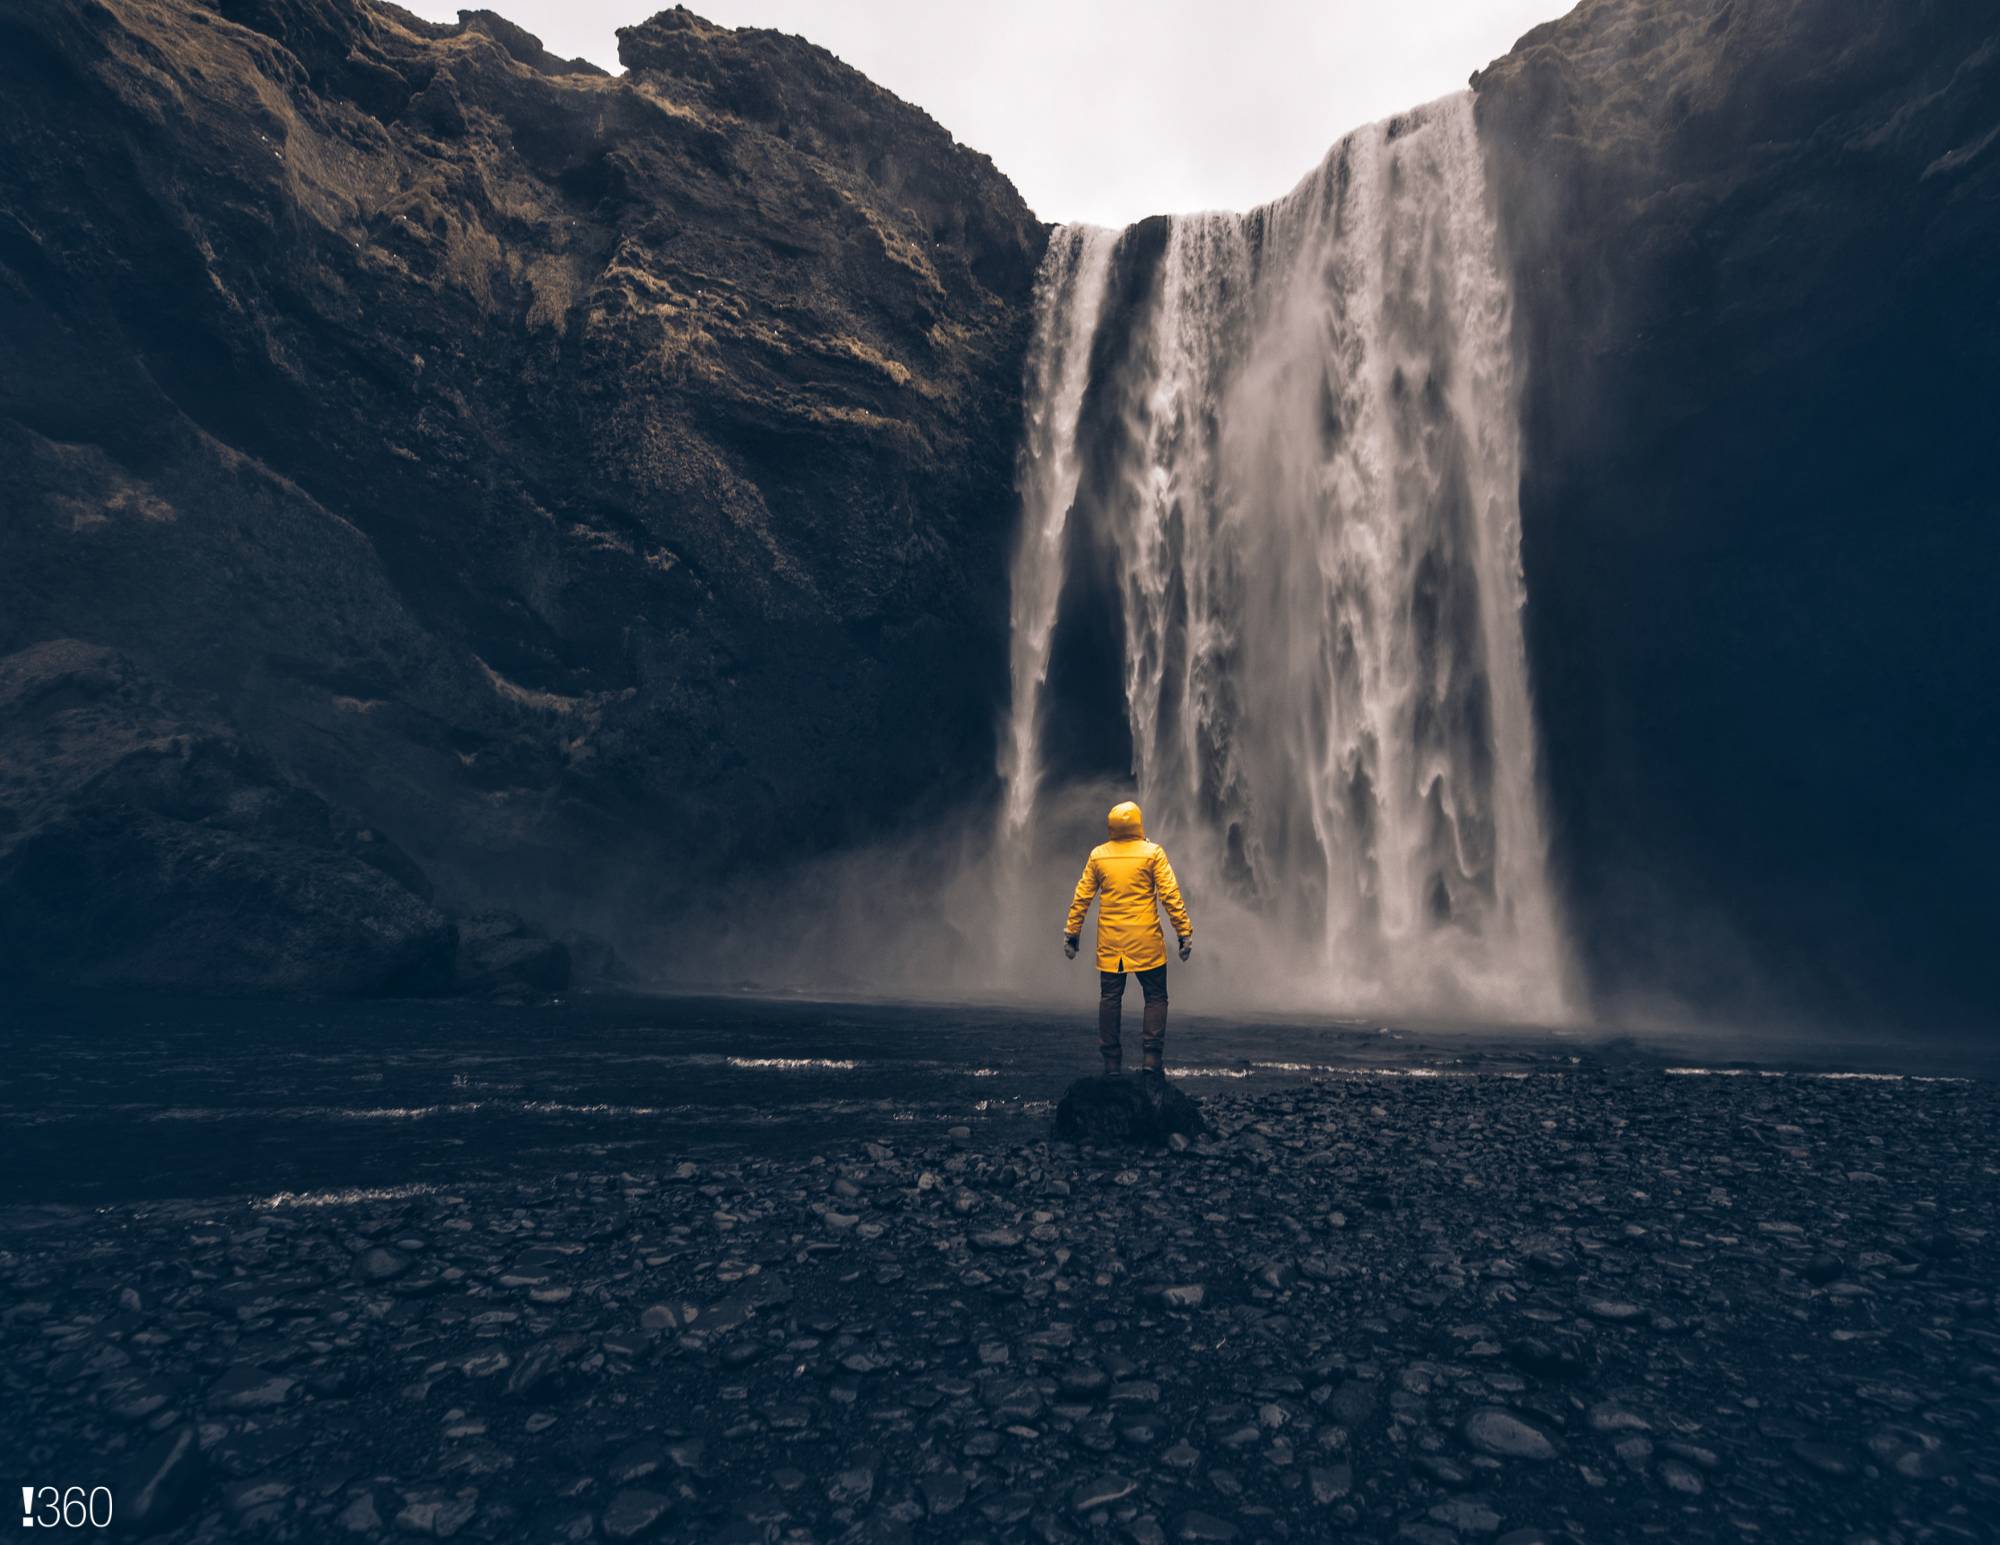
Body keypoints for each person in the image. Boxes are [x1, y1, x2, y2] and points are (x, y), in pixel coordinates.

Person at [1064, 800, 1193, 1076]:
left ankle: (1111, 1064)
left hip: (1112, 946)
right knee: (1156, 997)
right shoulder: (1153, 853)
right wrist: (1183, 933)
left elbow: (1082, 897)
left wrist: (1072, 933)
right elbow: (1171, 895)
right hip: (1147, 941)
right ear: (1138, 824)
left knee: (1110, 999)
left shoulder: (1099, 855)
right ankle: (1151, 1060)